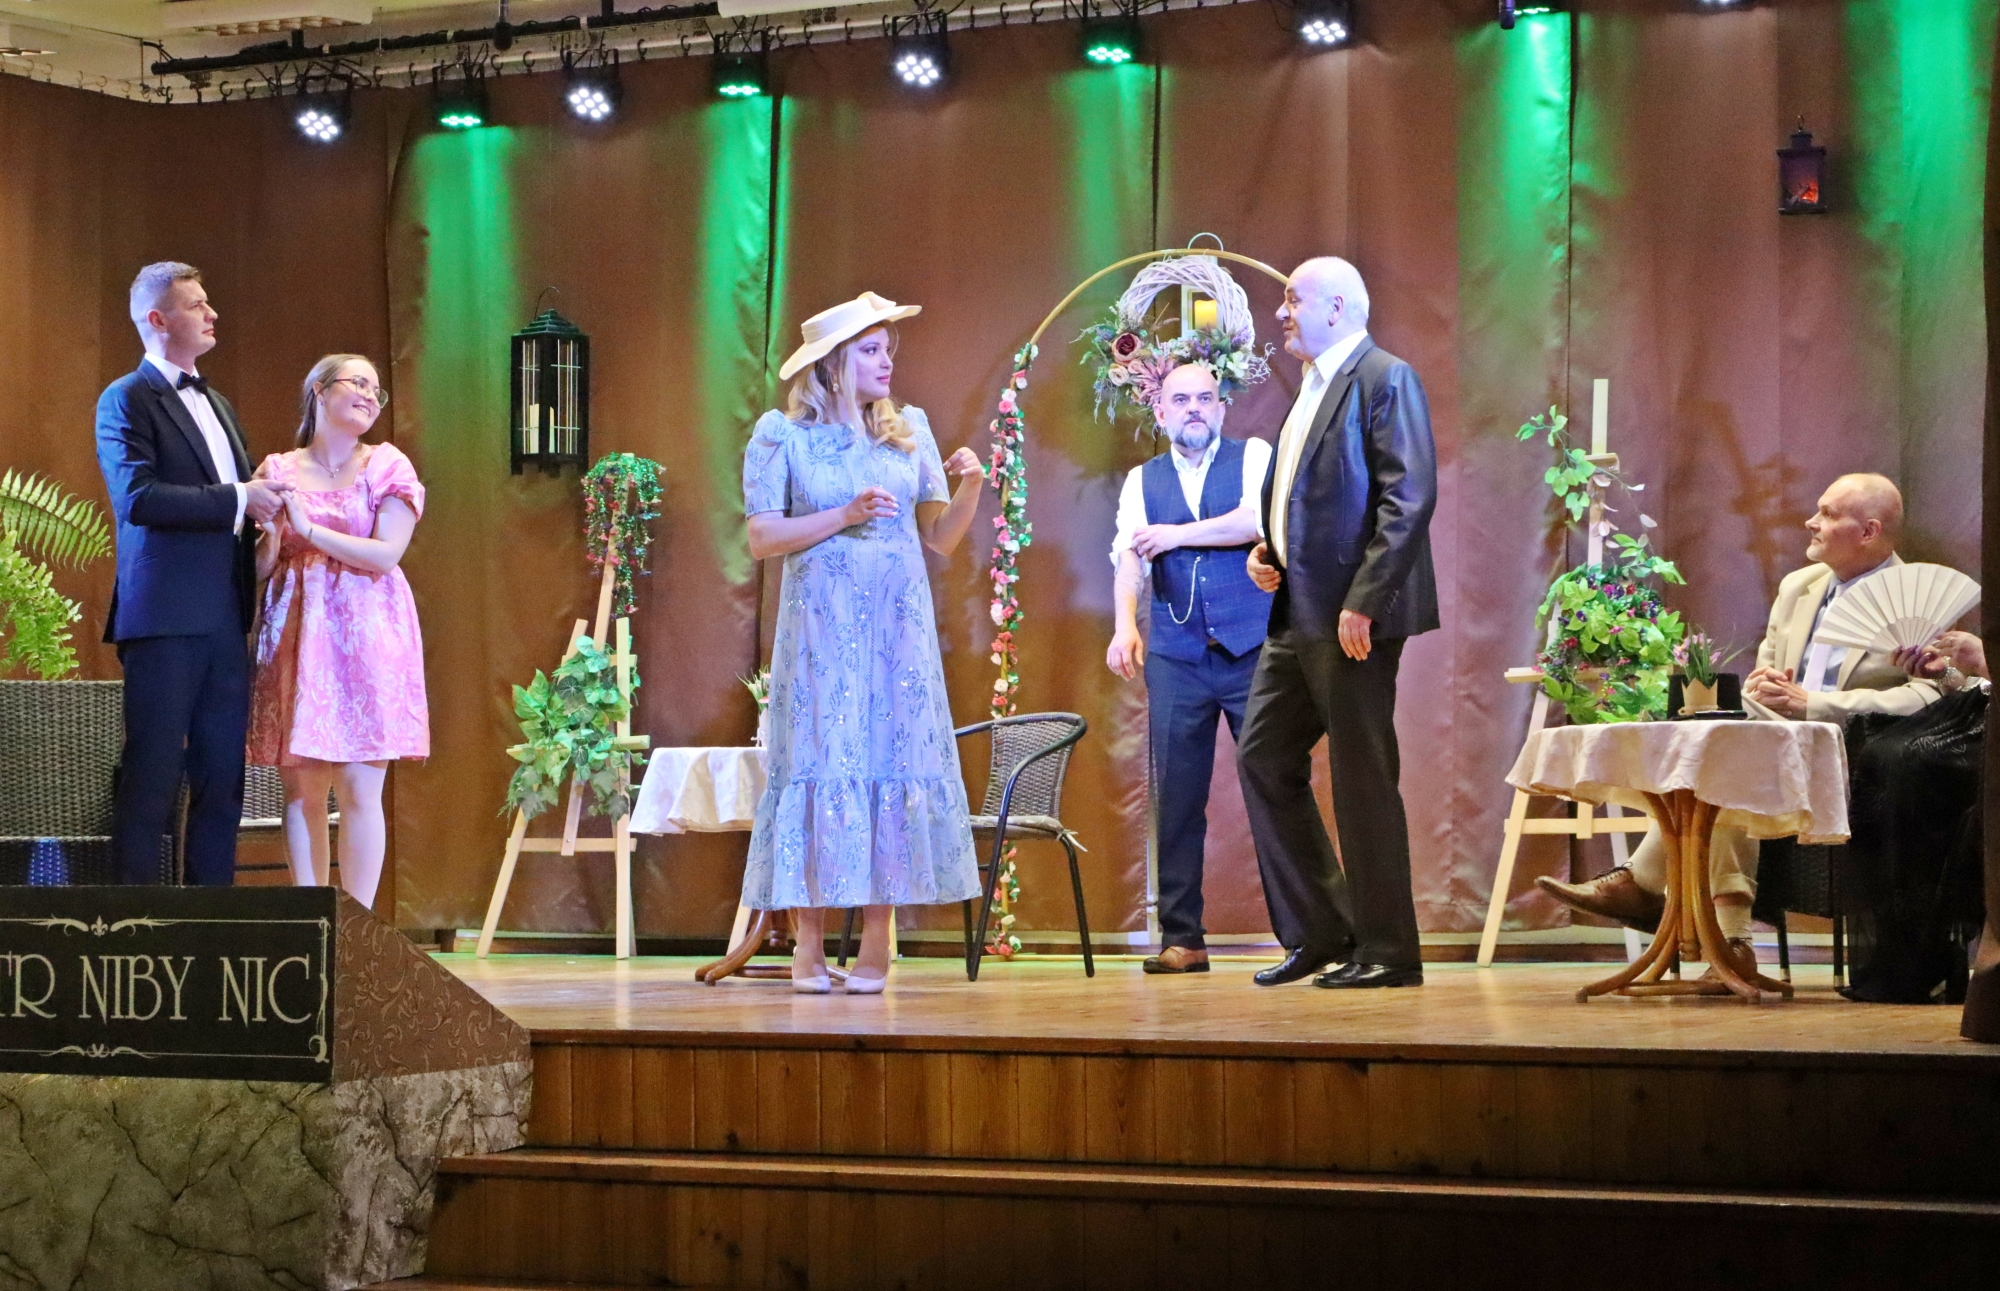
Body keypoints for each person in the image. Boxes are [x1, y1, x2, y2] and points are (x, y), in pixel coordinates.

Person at [1541, 474, 1938, 981]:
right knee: (1721, 738)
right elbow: (1768, 672)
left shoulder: (1917, 596)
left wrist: (1817, 704)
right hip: (1773, 742)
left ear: (1869, 531)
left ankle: (1648, 887)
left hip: (1853, 755)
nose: (1810, 522)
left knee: (1731, 757)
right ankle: (1730, 943)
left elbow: (1929, 695)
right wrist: (1763, 684)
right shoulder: (1798, 588)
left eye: (1828, 514)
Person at [742, 292, 986, 994]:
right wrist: (843, 514)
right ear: (833, 364)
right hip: (821, 632)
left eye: (887, 350)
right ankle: (809, 946)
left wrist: (971, 486)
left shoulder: (909, 431)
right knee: (821, 761)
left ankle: (878, 943)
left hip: (896, 633)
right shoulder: (783, 437)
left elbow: (940, 537)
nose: (886, 363)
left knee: (888, 761)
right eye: (872, 351)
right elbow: (762, 537)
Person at [1237, 256, 1440, 989]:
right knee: (1263, 758)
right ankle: (1322, 931)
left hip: (1353, 616)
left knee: (1361, 777)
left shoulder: (1385, 377)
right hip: (1299, 610)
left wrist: (1366, 597)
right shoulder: (1312, 387)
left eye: (1293, 299)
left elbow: (1407, 496)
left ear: (1338, 307)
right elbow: (1305, 499)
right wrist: (1271, 550)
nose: (1281, 311)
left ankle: (1389, 950)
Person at [95, 262, 291, 886]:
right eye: (197, 304)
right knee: (153, 774)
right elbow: (138, 498)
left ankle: (213, 918)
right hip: (164, 618)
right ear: (158, 319)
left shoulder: (219, 403)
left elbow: (234, 507)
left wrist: (261, 536)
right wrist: (240, 497)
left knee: (222, 778)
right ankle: (133, 923)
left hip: (226, 617)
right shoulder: (126, 398)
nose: (212, 314)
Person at [1106, 363, 1273, 974]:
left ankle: (1304, 933)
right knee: (1176, 798)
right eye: (1181, 400)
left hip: (1252, 648)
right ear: (1161, 412)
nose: (1194, 408)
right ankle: (1183, 938)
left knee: (1274, 787)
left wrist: (1175, 536)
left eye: (1205, 398)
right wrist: (1125, 625)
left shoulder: (1253, 456)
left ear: (1222, 408)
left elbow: (1256, 522)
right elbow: (1129, 556)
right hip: (1176, 655)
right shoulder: (1141, 480)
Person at [246, 355, 428, 911]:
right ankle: (310, 922)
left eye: (377, 389)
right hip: (297, 634)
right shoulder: (277, 469)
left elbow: (386, 554)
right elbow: (259, 568)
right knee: (302, 791)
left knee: (359, 788)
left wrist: (307, 528)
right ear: (320, 391)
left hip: (367, 632)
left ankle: (357, 930)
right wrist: (272, 538)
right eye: (358, 383)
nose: (370, 395)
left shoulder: (387, 465)